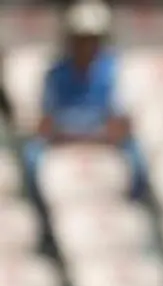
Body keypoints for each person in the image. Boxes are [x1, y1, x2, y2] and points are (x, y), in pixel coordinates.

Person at [25, 0, 146, 198]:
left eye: (92, 39)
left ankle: (134, 201)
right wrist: (75, 136)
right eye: (80, 39)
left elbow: (120, 126)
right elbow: (45, 124)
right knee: (32, 155)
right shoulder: (55, 74)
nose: (86, 46)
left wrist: (91, 137)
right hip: (65, 139)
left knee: (137, 158)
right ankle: (40, 209)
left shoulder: (116, 72)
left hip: (102, 139)